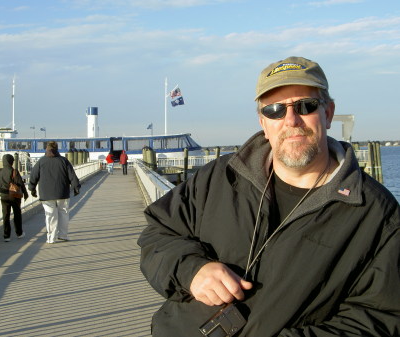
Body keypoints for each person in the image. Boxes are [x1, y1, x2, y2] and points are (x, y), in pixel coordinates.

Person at [138, 56, 400, 336]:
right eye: (274, 110)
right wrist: (191, 270)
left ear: (329, 113)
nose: (291, 120)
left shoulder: (377, 214)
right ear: (263, 121)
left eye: (305, 106)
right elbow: (157, 235)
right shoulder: (219, 176)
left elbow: (380, 317)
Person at [28, 141, 80, 244]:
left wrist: (32, 188)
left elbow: (33, 176)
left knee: (50, 216)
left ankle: (51, 238)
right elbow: (72, 176)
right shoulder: (64, 161)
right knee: (63, 213)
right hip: (62, 192)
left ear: (46, 149)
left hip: (46, 194)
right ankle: (63, 235)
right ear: (57, 149)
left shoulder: (41, 162)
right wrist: (76, 187)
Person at [0, 154, 29, 242]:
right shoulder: (14, 171)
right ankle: (19, 233)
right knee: (17, 214)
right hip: (14, 196)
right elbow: (20, 183)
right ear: (11, 161)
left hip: (3, 196)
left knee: (6, 215)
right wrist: (25, 193)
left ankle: (6, 236)